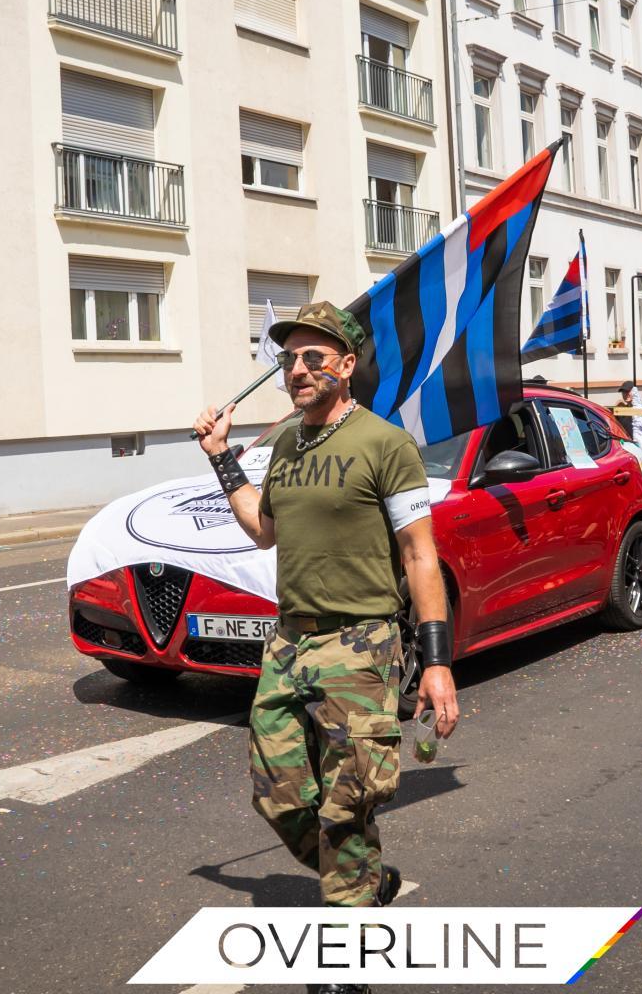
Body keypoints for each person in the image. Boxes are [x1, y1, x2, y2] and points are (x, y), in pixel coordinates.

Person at [192, 301, 459, 919]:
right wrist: (220, 455)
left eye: (313, 357)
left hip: (359, 646)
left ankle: (350, 929)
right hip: (288, 645)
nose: (297, 370)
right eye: (289, 359)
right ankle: (365, 877)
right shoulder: (287, 443)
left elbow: (420, 555)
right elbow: (263, 529)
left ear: (346, 364)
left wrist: (437, 663)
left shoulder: (386, 445)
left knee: (347, 802)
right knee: (278, 795)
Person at [616, 380, 642, 457]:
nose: (625, 394)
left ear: (634, 392)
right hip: (630, 451)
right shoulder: (621, 412)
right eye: (623, 392)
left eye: (627, 392)